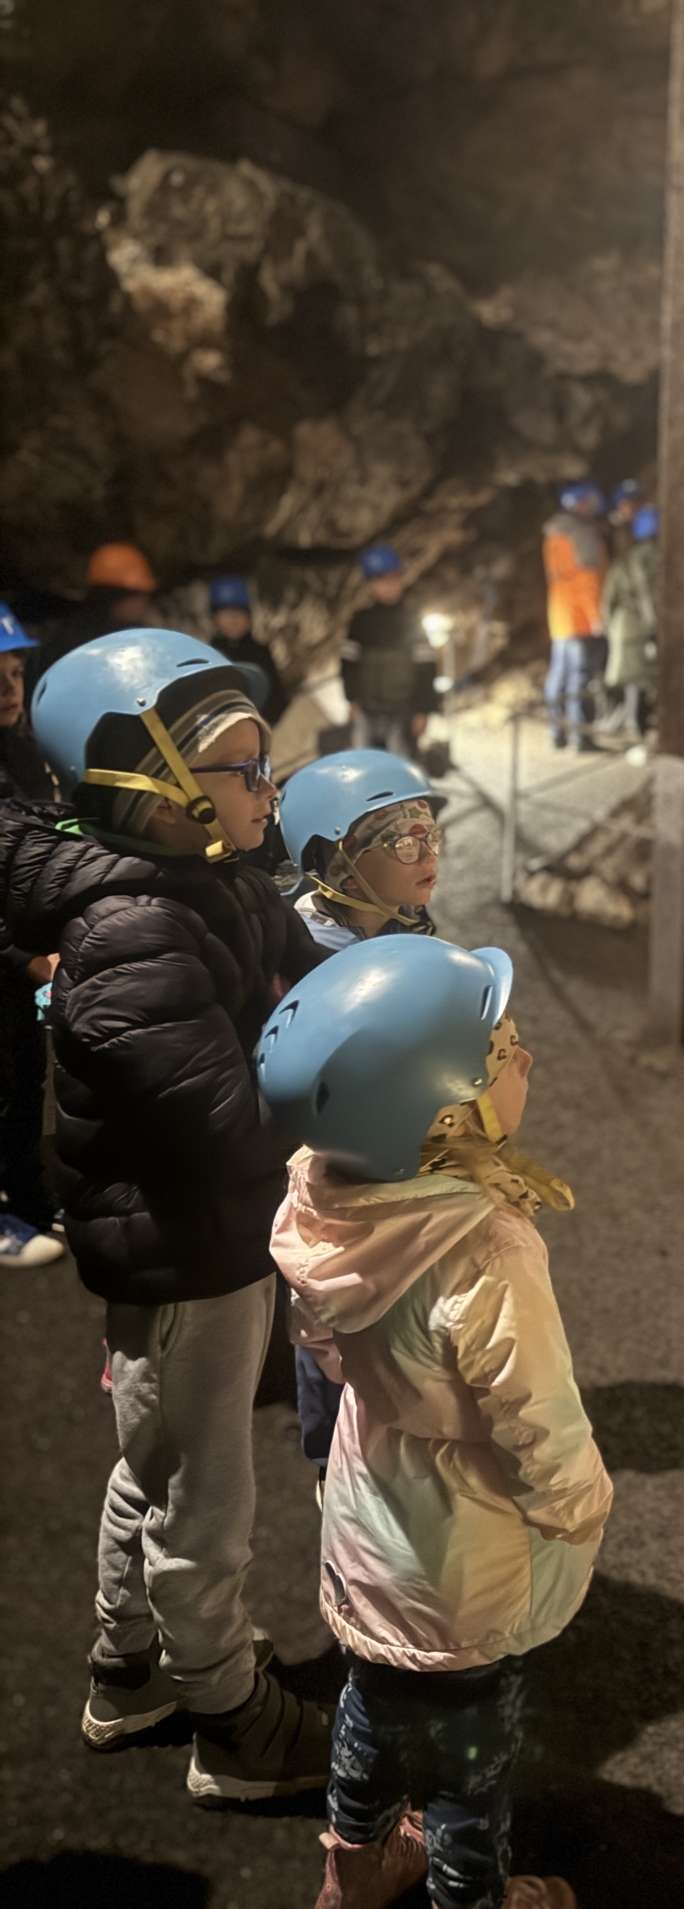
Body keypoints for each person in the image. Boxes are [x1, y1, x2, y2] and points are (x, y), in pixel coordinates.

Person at [0, 628, 335, 1801]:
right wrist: (350, 1078)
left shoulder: (208, 879)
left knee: (156, 1462)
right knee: (204, 1495)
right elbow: (234, 1121)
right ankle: (231, 1718)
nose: (270, 788)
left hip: (197, 1237)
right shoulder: (136, 928)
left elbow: (301, 960)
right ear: (150, 782)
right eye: (245, 767)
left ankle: (127, 1665)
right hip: (187, 1255)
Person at [258, 933, 610, 1909]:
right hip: (466, 1554)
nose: (525, 1057)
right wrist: (579, 1504)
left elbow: (326, 1354)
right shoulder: (486, 1250)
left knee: (370, 1704)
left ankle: (354, 1870)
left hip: (370, 1519)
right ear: (440, 1110)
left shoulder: (325, 1205)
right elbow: (536, 1412)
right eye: (500, 1051)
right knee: (467, 1765)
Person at [276, 750, 448, 1477]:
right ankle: (333, 1468)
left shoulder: (407, 927)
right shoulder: (300, 951)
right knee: (335, 1322)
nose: (427, 849)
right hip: (334, 1177)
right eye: (400, 838)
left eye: (431, 830)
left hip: (404, 1164)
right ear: (338, 862)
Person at [0, 603, 64, 1268]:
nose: (8, 685)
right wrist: (29, 958)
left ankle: (28, 1198)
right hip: (9, 958)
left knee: (22, 1083)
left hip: (17, 958)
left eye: (14, 667)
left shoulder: (21, 749)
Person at [341, 545, 437, 758]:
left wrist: (424, 709)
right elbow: (348, 663)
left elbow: (426, 666)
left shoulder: (411, 619)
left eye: (394, 578)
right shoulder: (361, 621)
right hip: (367, 710)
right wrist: (352, 699)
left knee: (400, 772)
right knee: (365, 765)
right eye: (381, 580)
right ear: (370, 584)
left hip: (403, 711)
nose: (389, 586)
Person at [541, 481, 609, 753]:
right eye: (590, 499)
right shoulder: (580, 533)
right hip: (580, 617)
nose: (595, 503)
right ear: (579, 502)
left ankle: (556, 732)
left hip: (560, 615)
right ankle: (582, 737)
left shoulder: (554, 532)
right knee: (579, 676)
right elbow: (586, 580)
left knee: (559, 673)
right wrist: (596, 616)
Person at [32, 542, 161, 683]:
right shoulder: (73, 644)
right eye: (139, 595)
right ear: (116, 596)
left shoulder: (136, 633)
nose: (145, 602)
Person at [600, 502, 658, 745]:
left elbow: (608, 600)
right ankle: (643, 728)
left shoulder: (624, 562)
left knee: (633, 680)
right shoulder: (665, 559)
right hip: (652, 626)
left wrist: (608, 628)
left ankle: (634, 726)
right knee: (647, 678)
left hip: (625, 624)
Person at [208, 575, 291, 723]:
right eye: (226, 612)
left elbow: (277, 699)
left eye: (239, 612)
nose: (233, 619)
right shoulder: (207, 654)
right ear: (215, 618)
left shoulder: (260, 653)